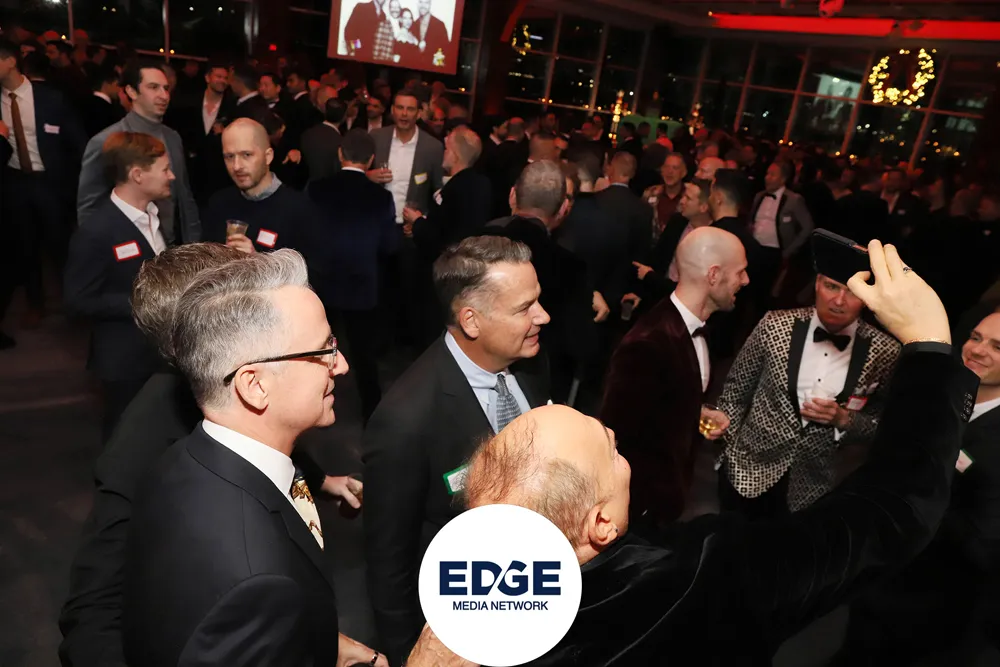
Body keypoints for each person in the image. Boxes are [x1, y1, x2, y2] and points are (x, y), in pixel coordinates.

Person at [464, 240, 978, 665]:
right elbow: (891, 512)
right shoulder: (704, 578)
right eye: (611, 451)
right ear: (601, 522)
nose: (616, 439)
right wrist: (930, 347)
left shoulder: (475, 613)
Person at [60, 244, 364, 667]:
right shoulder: (147, 445)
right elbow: (94, 612)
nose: (341, 365)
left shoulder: (223, 416)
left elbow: (267, 446)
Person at [363, 236, 552, 665]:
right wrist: (412, 657)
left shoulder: (532, 361)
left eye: (538, 300)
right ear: (471, 321)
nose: (543, 316)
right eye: (524, 308)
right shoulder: (405, 420)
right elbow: (390, 568)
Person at [834, 310, 1000, 665]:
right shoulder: (941, 392)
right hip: (878, 572)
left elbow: (984, 541)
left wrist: (911, 506)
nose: (977, 349)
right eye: (975, 337)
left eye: (997, 347)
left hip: (930, 599)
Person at [717, 270, 901, 518]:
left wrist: (844, 419)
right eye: (831, 286)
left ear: (867, 298)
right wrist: (725, 455)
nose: (839, 300)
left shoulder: (885, 351)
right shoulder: (774, 325)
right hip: (746, 473)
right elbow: (735, 391)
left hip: (814, 490)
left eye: (852, 293)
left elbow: (886, 426)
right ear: (817, 284)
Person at [602, 227, 748, 528]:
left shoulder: (697, 328)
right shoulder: (648, 343)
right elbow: (616, 436)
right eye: (740, 272)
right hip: (639, 511)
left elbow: (662, 397)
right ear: (713, 275)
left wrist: (697, 411)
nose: (745, 280)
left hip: (671, 498)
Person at [64, 131, 175, 440]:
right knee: (124, 442)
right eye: (165, 169)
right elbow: (77, 301)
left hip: (158, 356)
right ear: (137, 175)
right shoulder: (96, 231)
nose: (172, 176)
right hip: (123, 363)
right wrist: (142, 302)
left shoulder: (155, 216)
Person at [306, 128, 398, 423]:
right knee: (364, 357)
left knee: (314, 351)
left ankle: (308, 408)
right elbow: (389, 246)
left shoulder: (316, 189)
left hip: (322, 283)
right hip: (361, 286)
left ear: (340, 154)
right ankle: (373, 415)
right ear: (371, 160)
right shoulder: (381, 198)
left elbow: (305, 234)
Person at [0, 37, 88, 330]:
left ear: (10, 61)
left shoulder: (51, 98)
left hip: (51, 183)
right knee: (24, 247)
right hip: (14, 182)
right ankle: (35, 303)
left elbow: (78, 143)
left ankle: (75, 303)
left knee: (60, 246)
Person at [78, 64, 201, 245]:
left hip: (172, 246)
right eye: (153, 87)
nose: (164, 95)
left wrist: (194, 245)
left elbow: (184, 196)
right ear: (131, 92)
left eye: (166, 88)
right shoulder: (106, 141)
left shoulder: (173, 137)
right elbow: (89, 208)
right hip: (127, 247)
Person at [203, 118, 323, 252]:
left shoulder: (300, 211)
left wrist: (257, 260)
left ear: (268, 156)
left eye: (246, 155)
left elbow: (313, 264)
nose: (236, 166)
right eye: (229, 157)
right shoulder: (218, 204)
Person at [596, 151, 653, 264]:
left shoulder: (593, 201)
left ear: (611, 170)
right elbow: (642, 251)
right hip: (627, 271)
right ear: (632, 174)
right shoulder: (644, 209)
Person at [301, 96, 346, 182]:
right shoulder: (341, 142)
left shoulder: (307, 134)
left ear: (325, 111)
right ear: (344, 117)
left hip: (307, 186)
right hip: (330, 187)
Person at [81, 63, 124, 138]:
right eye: (117, 84)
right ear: (106, 84)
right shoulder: (107, 109)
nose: (120, 89)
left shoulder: (85, 103)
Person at [413, 0, 450, 67]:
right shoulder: (413, 24)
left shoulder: (439, 25)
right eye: (421, 2)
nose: (423, 5)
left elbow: (446, 50)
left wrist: (438, 63)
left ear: (430, 5)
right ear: (418, 4)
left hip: (433, 69)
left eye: (426, 2)